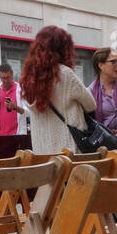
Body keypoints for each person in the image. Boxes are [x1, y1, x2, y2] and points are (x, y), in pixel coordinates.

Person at [19, 25, 95, 155]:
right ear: (64, 48)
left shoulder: (29, 78)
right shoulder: (65, 74)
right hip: (69, 153)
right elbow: (91, 104)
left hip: (42, 155)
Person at [0, 63, 27, 137]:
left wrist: (15, 107)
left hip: (17, 134)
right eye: (3, 78)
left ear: (12, 74)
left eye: (8, 77)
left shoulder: (21, 89)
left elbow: (28, 113)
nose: (6, 80)